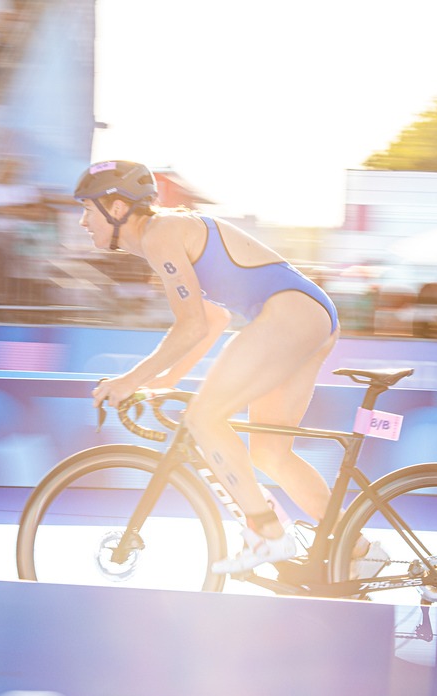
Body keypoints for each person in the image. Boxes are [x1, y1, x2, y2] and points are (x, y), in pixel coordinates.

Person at [75, 160, 388, 577]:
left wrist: (130, 381)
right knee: (269, 452)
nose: (82, 221)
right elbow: (213, 319)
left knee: (205, 417)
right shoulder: (167, 234)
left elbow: (192, 326)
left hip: (291, 313)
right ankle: (360, 551)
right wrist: (165, 380)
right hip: (310, 314)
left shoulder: (161, 234)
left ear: (115, 208)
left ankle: (267, 533)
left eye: (86, 209)